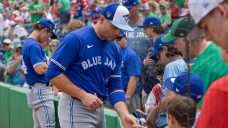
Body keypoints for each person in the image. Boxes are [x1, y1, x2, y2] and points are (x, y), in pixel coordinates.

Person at [45, 3, 136, 128]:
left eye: (121, 29)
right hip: (76, 105)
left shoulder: (115, 48)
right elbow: (52, 72)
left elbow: (115, 87)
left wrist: (124, 115)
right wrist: (82, 95)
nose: (117, 32)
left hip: (99, 107)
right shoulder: (76, 39)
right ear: (102, 19)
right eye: (114, 27)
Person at [161, 16, 228, 108]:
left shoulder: (201, 67)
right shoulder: (216, 47)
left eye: (175, 41)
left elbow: (198, 111)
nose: (174, 47)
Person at [22, 18, 57, 128]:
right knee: (48, 126)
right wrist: (55, 65)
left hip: (34, 89)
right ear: (44, 30)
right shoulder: (34, 45)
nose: (48, 39)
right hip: (41, 90)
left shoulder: (27, 42)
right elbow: (40, 69)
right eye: (49, 34)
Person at [138, 16, 164, 109]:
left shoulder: (162, 41)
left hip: (157, 85)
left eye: (145, 28)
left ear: (152, 28)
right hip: (149, 84)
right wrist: (144, 61)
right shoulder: (151, 41)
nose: (144, 31)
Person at [115, 31, 142, 113]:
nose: (116, 41)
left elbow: (133, 78)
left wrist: (127, 98)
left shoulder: (131, 55)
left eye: (119, 38)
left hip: (128, 95)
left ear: (125, 38)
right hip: (114, 95)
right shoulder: (111, 52)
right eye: (115, 38)